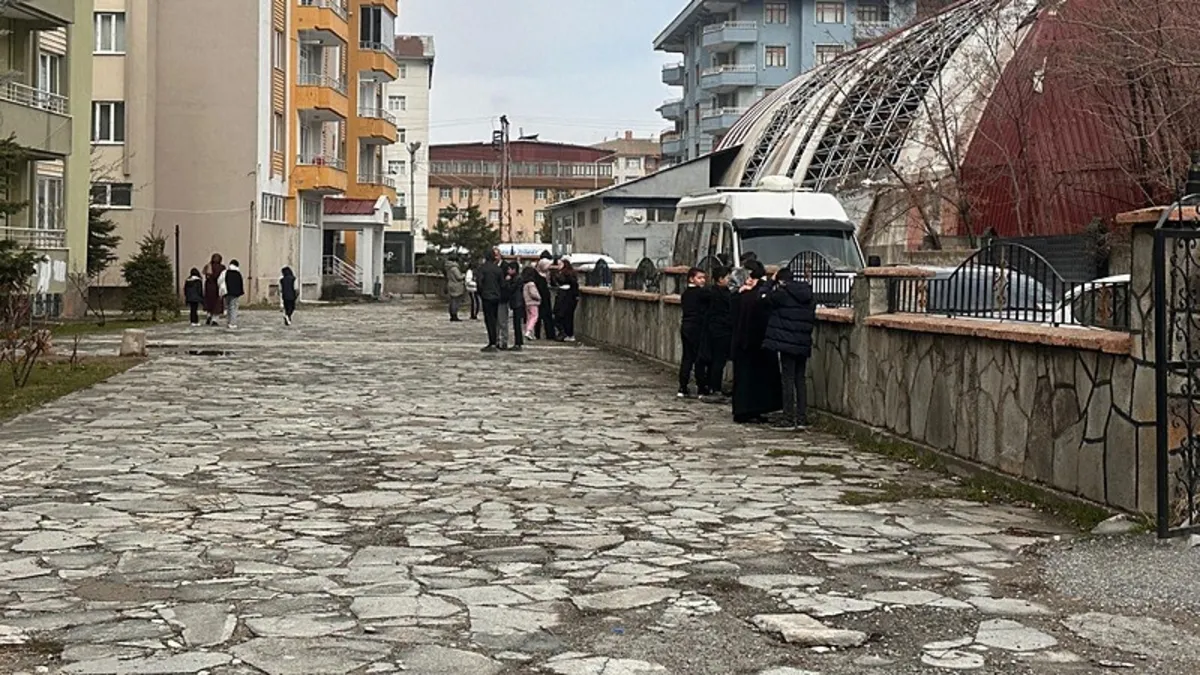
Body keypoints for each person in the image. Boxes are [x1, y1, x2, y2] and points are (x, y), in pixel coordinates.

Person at [763, 268, 817, 430]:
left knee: (787, 379)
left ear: (781, 281)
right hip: (802, 341)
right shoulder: (807, 293)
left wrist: (770, 282)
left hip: (786, 342)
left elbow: (762, 299)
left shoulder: (781, 294)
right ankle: (801, 417)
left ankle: (788, 417)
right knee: (800, 379)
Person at [730, 261, 782, 424]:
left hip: (748, 343)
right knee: (753, 380)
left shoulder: (748, 295)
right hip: (756, 343)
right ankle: (749, 410)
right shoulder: (755, 294)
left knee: (747, 379)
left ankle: (746, 410)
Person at [700, 266, 734, 402]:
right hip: (720, 331)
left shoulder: (714, 292)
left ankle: (712, 386)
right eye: (727, 277)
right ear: (720, 279)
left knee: (715, 361)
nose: (729, 280)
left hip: (714, 330)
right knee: (718, 361)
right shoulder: (718, 295)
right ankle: (715, 387)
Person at [677, 267, 708, 398]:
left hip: (686, 326)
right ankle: (701, 387)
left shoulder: (685, 294)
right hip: (697, 327)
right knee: (699, 358)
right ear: (691, 278)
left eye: (703, 278)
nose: (703, 281)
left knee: (687, 358)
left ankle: (682, 387)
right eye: (699, 278)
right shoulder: (701, 294)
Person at [476, 248, 505, 352]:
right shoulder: (498, 269)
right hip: (496, 297)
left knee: (489, 320)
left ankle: (492, 341)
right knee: (495, 318)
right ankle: (495, 341)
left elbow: (479, 282)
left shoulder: (482, 269)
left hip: (487, 296)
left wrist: (481, 293)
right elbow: (502, 284)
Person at [553, 260, 580, 342]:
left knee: (567, 316)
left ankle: (568, 333)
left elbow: (574, 285)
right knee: (559, 315)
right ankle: (564, 332)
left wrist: (576, 296)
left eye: (560, 264)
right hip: (563, 296)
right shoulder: (560, 273)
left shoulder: (568, 275)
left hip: (567, 297)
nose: (558, 266)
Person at [503, 263, 525, 351]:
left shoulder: (517, 279)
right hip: (516, 302)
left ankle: (518, 343)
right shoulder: (516, 278)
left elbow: (511, 289)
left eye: (509, 269)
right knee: (516, 324)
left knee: (517, 324)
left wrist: (507, 281)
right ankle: (518, 342)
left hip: (517, 302)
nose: (508, 271)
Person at [533, 258, 557, 340]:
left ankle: (549, 334)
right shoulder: (539, 277)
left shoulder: (546, 275)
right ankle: (538, 334)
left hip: (544, 298)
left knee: (546, 317)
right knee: (540, 317)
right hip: (541, 298)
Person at [218, 259, 245, 330]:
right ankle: (233, 323)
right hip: (235, 293)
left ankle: (229, 322)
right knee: (234, 307)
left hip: (227, 292)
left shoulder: (225, 272)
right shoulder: (238, 273)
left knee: (228, 307)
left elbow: (219, 281)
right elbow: (240, 283)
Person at [202, 253, 225, 326]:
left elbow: (205, 274)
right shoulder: (221, 267)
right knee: (217, 303)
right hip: (217, 286)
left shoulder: (208, 266)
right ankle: (215, 319)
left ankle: (209, 315)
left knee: (209, 301)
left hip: (209, 286)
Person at [522, 266, 541, 340]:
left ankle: (528, 331)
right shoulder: (531, 284)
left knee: (529, 318)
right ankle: (529, 331)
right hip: (533, 302)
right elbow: (533, 293)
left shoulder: (525, 284)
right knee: (534, 317)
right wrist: (539, 297)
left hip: (527, 302)